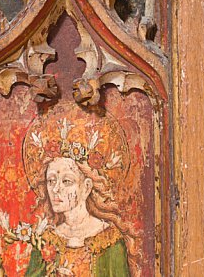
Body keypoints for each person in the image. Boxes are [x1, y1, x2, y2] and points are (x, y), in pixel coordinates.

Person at [20, 103, 138, 277]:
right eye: (51, 180)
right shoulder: (46, 240)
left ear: (87, 187)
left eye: (67, 181)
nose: (56, 189)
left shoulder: (108, 240)